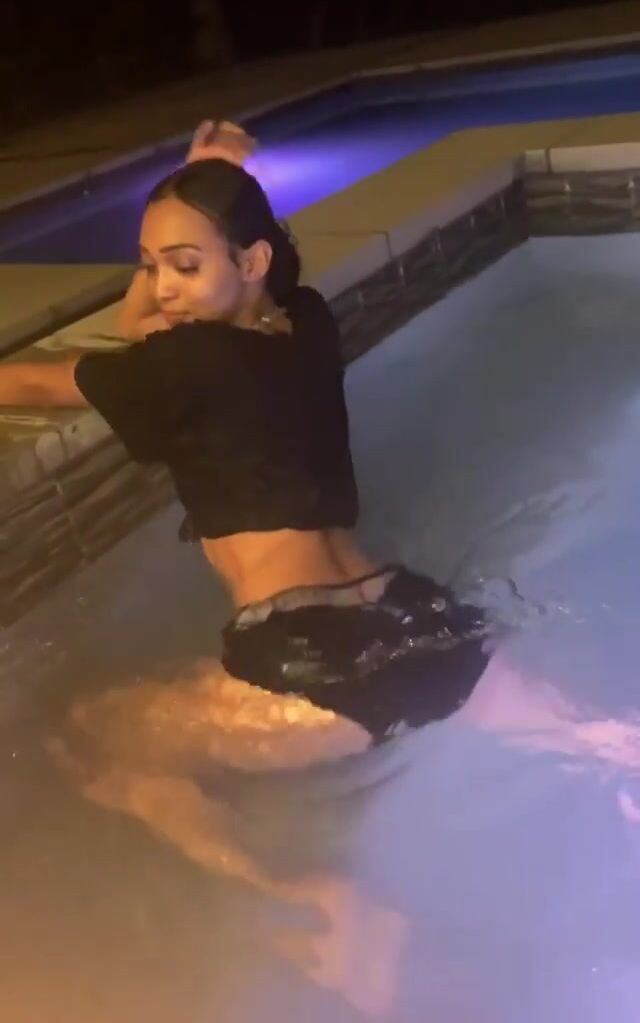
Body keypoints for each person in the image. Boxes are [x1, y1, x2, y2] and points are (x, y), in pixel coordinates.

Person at [0, 121, 492, 1013]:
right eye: (150, 267)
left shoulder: (180, 367)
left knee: (93, 739)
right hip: (425, 617)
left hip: (308, 665)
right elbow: (155, 333)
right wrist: (205, 196)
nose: (161, 289)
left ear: (253, 259)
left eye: (182, 266)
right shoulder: (309, 323)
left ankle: (310, 897)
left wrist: (192, 198)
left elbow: (45, 377)